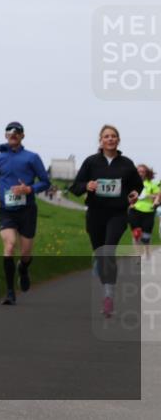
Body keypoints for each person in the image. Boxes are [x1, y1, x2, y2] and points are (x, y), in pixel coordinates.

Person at [69, 125, 143, 317]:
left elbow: (138, 185)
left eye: (113, 136)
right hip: (95, 214)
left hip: (118, 214)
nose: (110, 139)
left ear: (118, 140)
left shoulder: (126, 163)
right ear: (100, 141)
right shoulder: (91, 162)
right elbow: (75, 187)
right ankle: (105, 281)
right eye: (106, 136)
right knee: (100, 253)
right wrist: (87, 185)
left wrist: (134, 193)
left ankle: (108, 296)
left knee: (108, 249)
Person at [0, 122, 50, 306]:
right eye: (9, 131)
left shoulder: (32, 157)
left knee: (26, 252)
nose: (13, 134)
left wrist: (29, 189)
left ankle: (23, 269)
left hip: (27, 210)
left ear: (22, 136)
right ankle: (10, 292)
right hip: (6, 211)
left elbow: (45, 182)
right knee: (9, 245)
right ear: (5, 135)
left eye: (17, 132)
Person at [129, 164, 160, 256]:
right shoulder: (131, 183)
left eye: (143, 172)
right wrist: (130, 203)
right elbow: (126, 194)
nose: (140, 173)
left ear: (146, 173)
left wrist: (147, 195)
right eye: (139, 171)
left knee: (146, 236)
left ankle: (147, 252)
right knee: (136, 234)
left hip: (148, 211)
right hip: (135, 210)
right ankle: (137, 254)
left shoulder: (151, 184)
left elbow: (158, 195)